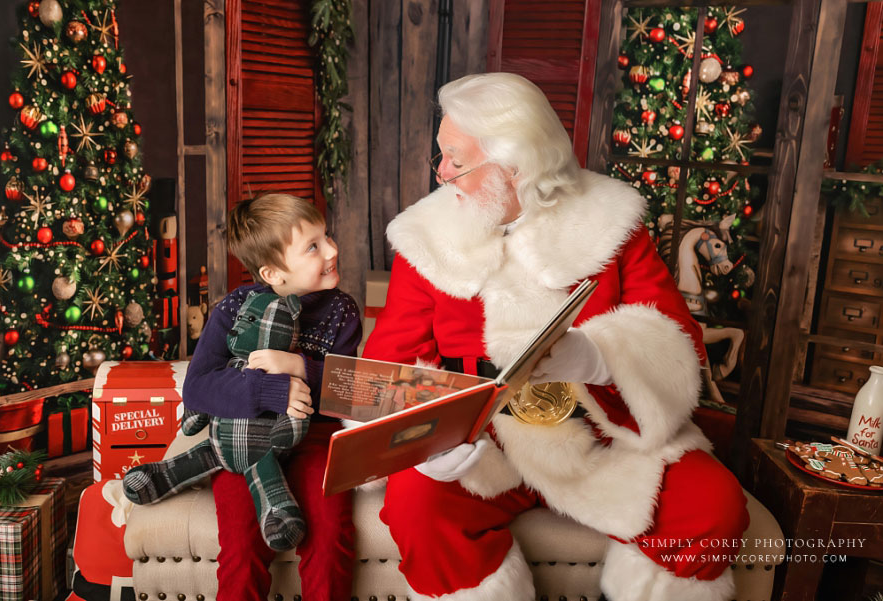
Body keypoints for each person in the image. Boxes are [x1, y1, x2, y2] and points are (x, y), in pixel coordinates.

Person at [362, 73, 749, 601]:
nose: (442, 174)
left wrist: (596, 357)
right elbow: (384, 367)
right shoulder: (426, 236)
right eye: (442, 155)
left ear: (514, 167)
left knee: (714, 506)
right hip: (482, 442)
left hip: (601, 429)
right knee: (416, 503)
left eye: (456, 159)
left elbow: (678, 341)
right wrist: (423, 437)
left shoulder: (612, 221)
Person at [182, 193, 362, 601]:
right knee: (242, 547)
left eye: (327, 236)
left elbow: (347, 387)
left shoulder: (341, 311)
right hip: (243, 441)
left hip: (314, 439)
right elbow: (197, 387)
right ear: (273, 272)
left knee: (331, 532)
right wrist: (270, 390)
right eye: (313, 246)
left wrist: (299, 365)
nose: (332, 249)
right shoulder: (233, 310)